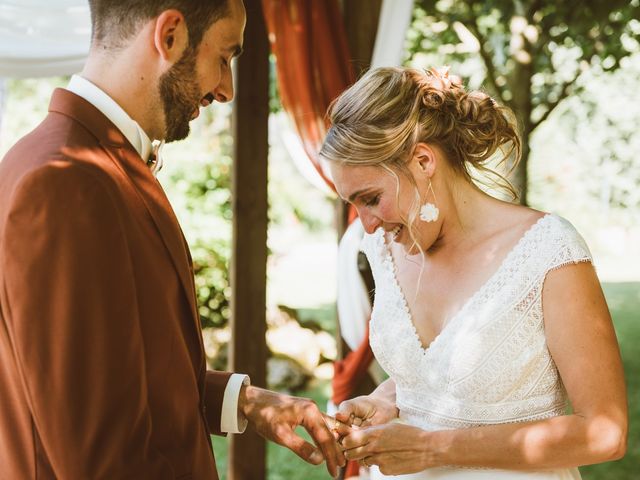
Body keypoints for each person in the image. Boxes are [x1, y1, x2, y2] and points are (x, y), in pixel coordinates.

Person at [0, 0, 344, 478]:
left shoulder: (83, 161)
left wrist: (242, 401)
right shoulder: (65, 182)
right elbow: (99, 458)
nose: (225, 89)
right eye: (224, 58)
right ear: (170, 36)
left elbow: (113, 382)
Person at [320, 66, 628, 479]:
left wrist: (433, 449)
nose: (367, 223)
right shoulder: (381, 249)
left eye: (371, 198)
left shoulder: (547, 251)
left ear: (423, 161)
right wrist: (386, 398)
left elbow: (604, 433)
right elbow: (440, 377)